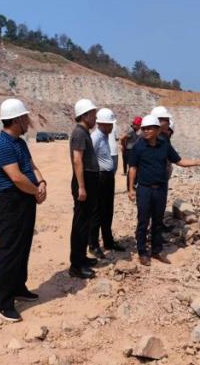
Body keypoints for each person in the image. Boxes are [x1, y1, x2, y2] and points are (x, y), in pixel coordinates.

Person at [0, 98, 47, 322]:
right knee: (9, 251)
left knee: (23, 246)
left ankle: (18, 288)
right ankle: (3, 304)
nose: (28, 121)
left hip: (25, 199)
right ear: (16, 120)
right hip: (11, 202)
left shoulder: (20, 143)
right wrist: (36, 192)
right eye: (25, 117)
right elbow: (16, 177)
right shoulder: (2, 144)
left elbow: (31, 167)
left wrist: (42, 183)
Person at [128, 115, 200, 266]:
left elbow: (179, 161)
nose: (145, 131)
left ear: (157, 130)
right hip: (144, 189)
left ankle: (156, 250)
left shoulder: (164, 145)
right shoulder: (138, 147)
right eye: (144, 129)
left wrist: (197, 162)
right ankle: (142, 252)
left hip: (160, 189)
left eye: (149, 128)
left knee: (158, 221)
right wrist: (131, 188)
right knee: (143, 221)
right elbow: (132, 168)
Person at [69, 98, 100, 279]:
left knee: (86, 222)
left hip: (89, 180)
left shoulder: (84, 132)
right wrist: (81, 186)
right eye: (93, 114)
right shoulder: (79, 133)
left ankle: (82, 258)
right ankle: (76, 266)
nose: (95, 118)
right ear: (85, 115)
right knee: (80, 224)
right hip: (84, 181)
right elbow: (77, 160)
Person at [89, 108, 126, 258]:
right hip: (100, 178)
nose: (112, 127)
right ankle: (93, 245)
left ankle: (108, 241)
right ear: (103, 124)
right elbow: (88, 158)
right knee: (97, 212)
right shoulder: (95, 137)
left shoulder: (104, 136)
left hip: (107, 177)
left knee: (107, 210)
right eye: (110, 124)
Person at [120, 116, 142, 181]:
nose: (139, 127)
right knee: (131, 167)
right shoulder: (131, 130)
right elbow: (122, 138)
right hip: (129, 151)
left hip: (131, 150)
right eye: (139, 126)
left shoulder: (134, 131)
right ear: (135, 125)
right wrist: (123, 146)